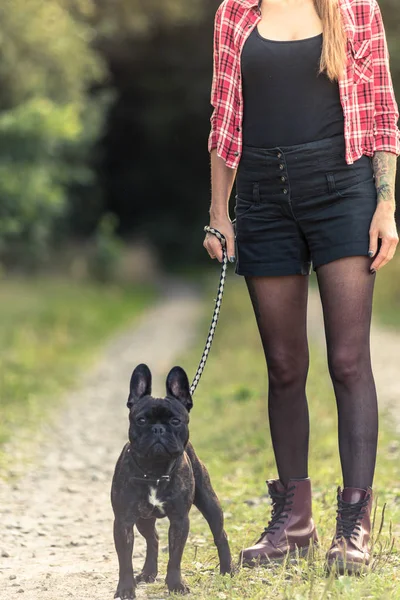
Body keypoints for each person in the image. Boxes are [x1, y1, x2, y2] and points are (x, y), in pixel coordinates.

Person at [203, 0, 399, 574]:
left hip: (343, 190)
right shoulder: (234, 15)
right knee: (284, 365)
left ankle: (354, 524)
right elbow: (224, 117)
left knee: (347, 360)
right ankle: (294, 522)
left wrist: (385, 205)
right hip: (262, 198)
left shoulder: (355, 8)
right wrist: (220, 210)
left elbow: (382, 109)